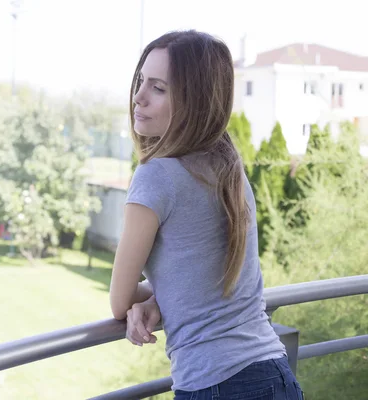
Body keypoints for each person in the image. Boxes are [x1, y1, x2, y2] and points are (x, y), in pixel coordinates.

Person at [109, 30, 304, 400]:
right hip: (276, 376)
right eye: (140, 82)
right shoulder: (228, 168)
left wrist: (145, 301)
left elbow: (119, 300)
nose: (139, 97)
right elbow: (211, 277)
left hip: (218, 384)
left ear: (193, 102)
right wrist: (158, 300)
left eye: (159, 88)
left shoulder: (155, 177)